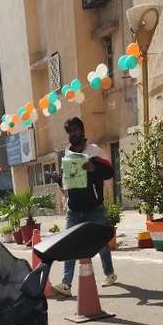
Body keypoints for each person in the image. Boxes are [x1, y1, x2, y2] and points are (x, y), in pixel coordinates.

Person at [51, 117, 117, 298]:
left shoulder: (94, 151)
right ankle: (66, 284)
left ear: (82, 131)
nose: (73, 134)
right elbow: (68, 181)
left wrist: (93, 167)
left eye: (75, 130)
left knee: (100, 243)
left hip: (94, 207)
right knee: (69, 244)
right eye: (70, 132)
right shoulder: (67, 154)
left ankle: (110, 274)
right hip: (74, 209)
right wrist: (58, 180)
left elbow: (109, 172)